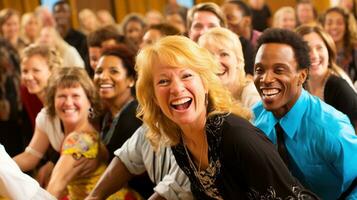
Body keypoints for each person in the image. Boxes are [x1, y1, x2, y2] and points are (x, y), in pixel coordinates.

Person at [135, 35, 317, 199]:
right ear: (154, 98)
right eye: (163, 81)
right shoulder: (180, 141)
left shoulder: (235, 136)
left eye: (186, 75)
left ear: (205, 84)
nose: (176, 88)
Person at [252, 28, 357, 199]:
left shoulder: (332, 128)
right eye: (259, 70)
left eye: (279, 70)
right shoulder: (255, 119)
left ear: (301, 76)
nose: (266, 79)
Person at [44, 67, 141, 199]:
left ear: (89, 101)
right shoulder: (91, 130)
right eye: (62, 96)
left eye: (75, 96)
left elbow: (53, 190)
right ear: (52, 101)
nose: (68, 102)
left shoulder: (78, 140)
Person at [296, 25, 357, 131]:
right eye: (306, 49)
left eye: (319, 48)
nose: (314, 55)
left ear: (329, 51)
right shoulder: (299, 84)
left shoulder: (340, 87)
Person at [187, 2, 255, 76]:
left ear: (224, 30)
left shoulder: (244, 48)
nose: (204, 32)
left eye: (212, 26)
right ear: (189, 32)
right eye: (198, 26)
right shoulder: (180, 58)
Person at [198, 27, 260, 108]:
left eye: (224, 54)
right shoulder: (204, 97)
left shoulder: (252, 96)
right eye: (209, 55)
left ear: (238, 60)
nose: (215, 62)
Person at [52, 0, 91, 75]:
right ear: (53, 15)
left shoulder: (81, 38)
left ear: (69, 13)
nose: (61, 15)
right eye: (57, 12)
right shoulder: (50, 38)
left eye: (64, 12)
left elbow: (84, 66)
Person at [322, 6, 357, 83]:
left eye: (339, 23)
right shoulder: (319, 52)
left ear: (347, 26)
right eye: (329, 23)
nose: (334, 27)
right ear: (323, 26)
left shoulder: (355, 50)